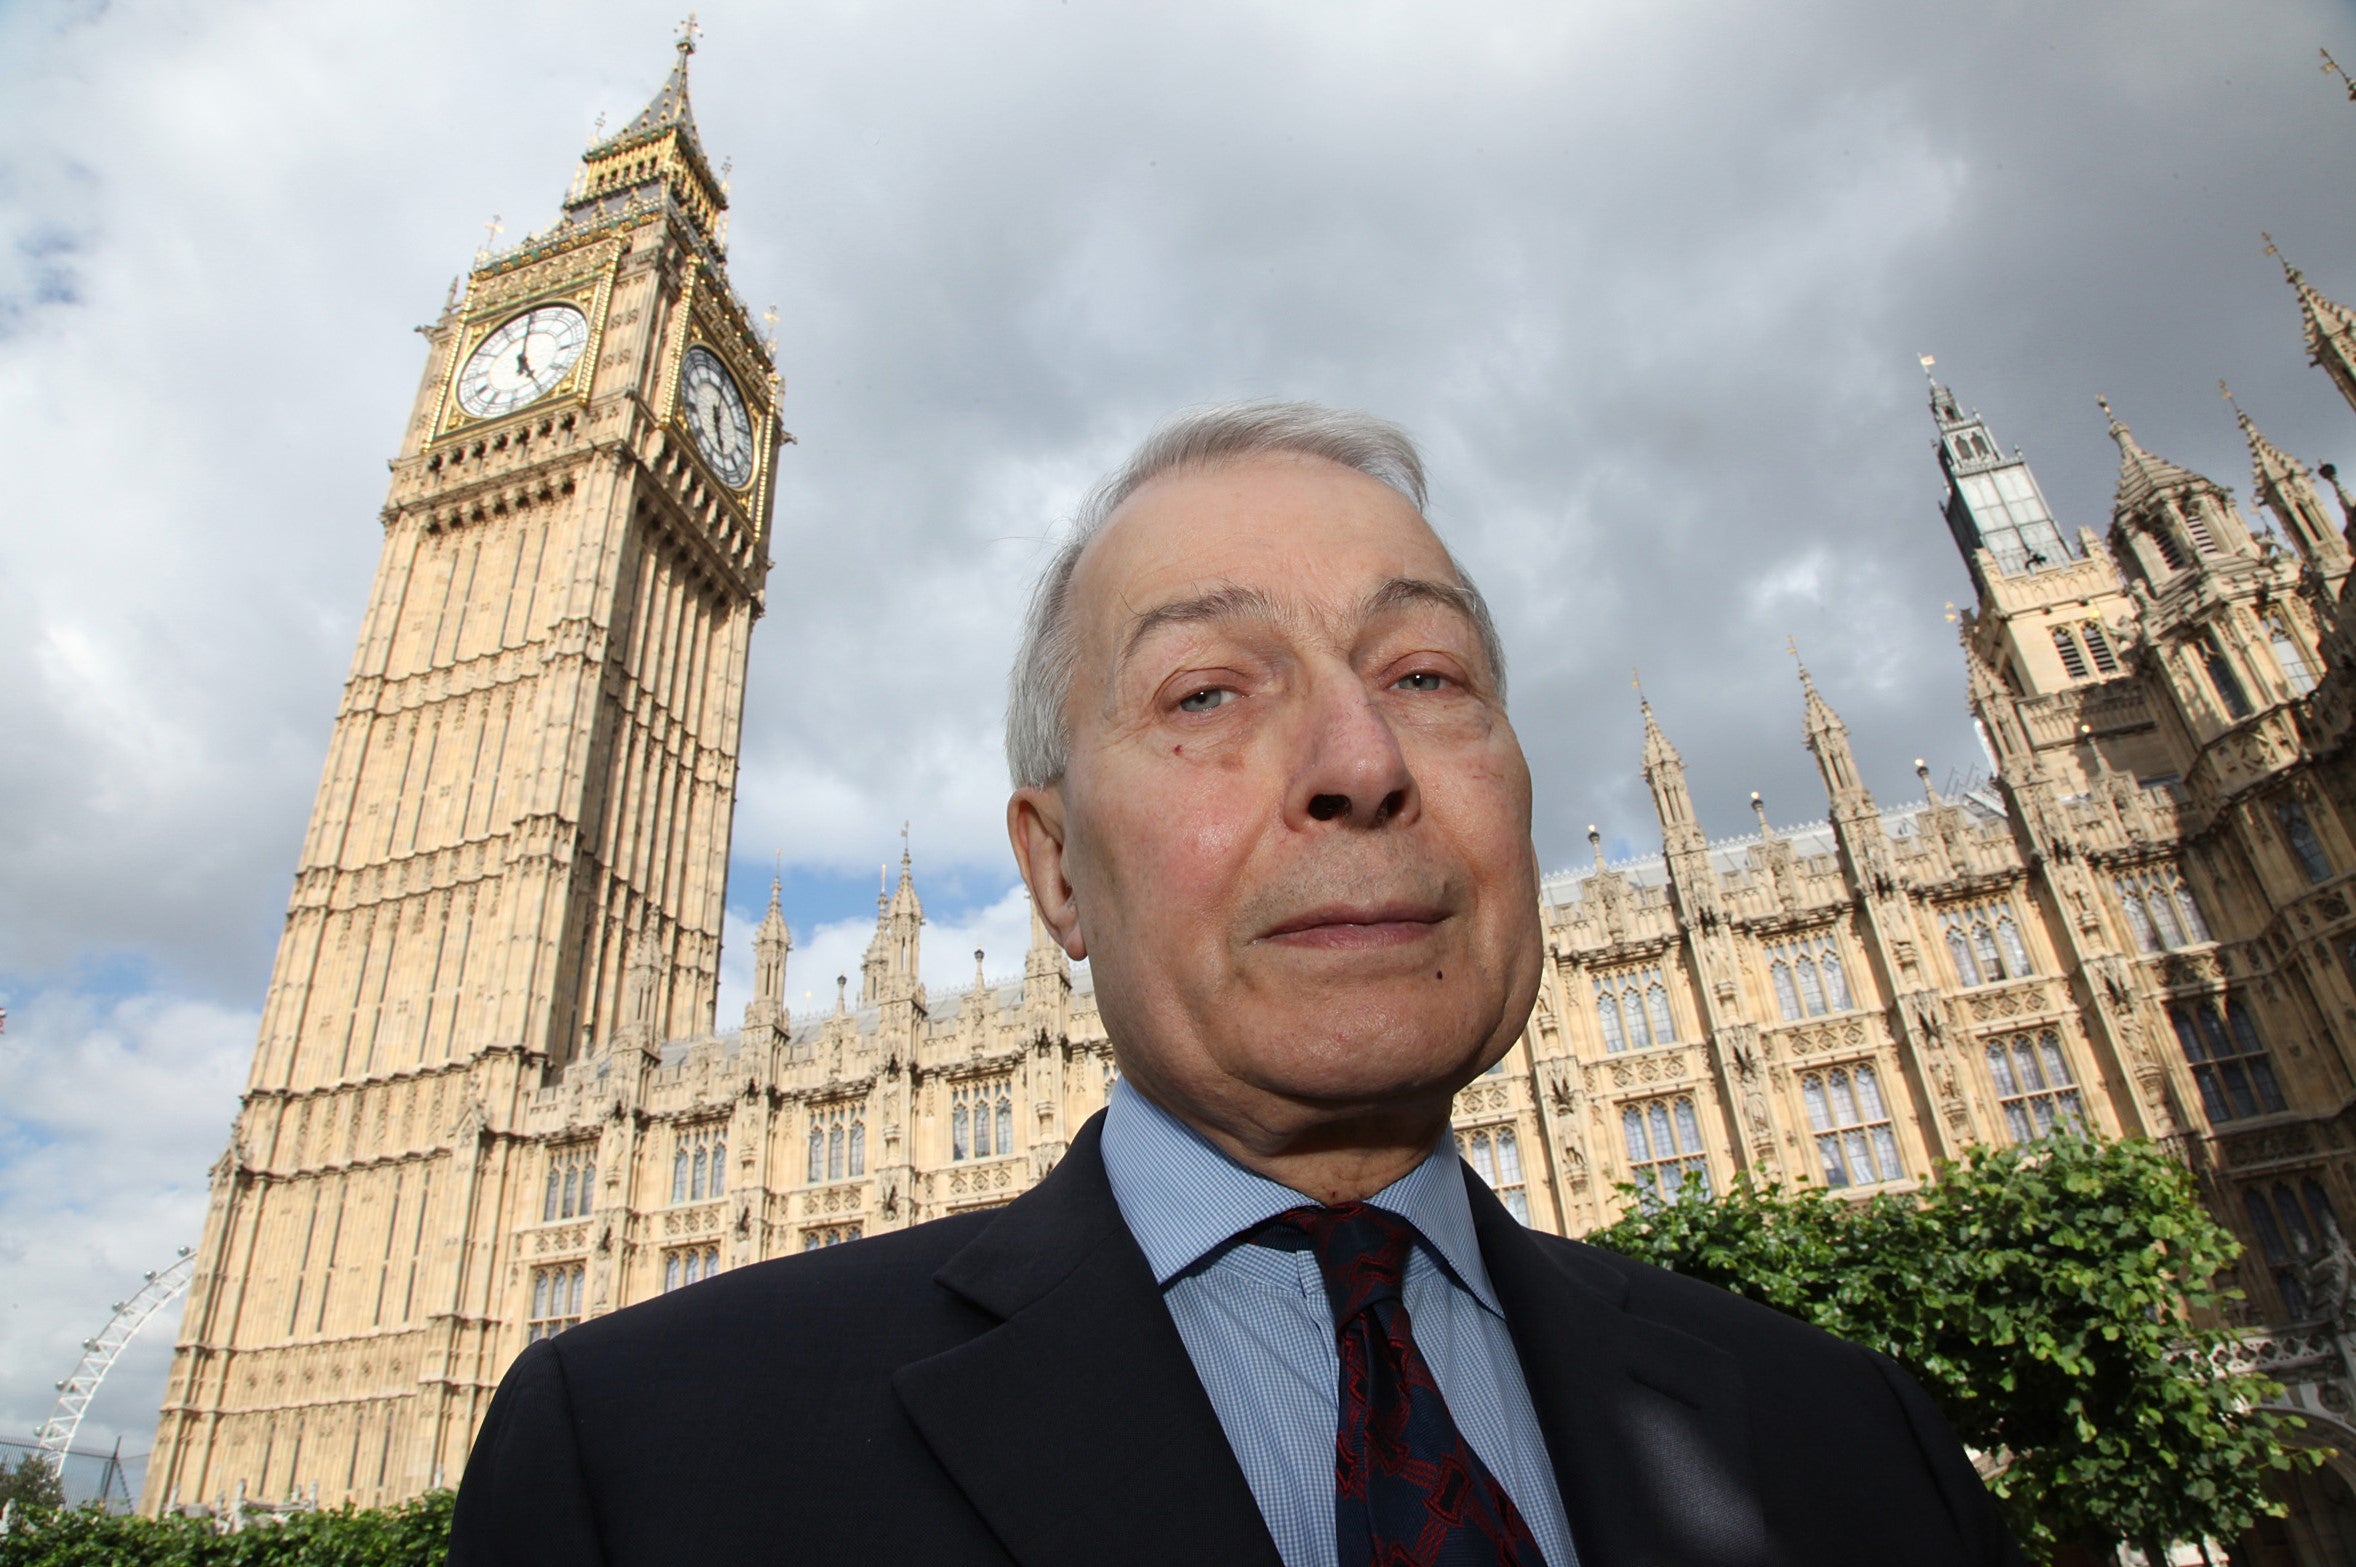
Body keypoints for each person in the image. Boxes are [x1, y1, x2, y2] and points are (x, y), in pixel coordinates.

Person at [449, 402, 2024, 1566]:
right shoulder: (646, 1467)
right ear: (1056, 871)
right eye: (1208, 693)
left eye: (1426, 677)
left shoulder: (1863, 1453)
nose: (1359, 763)